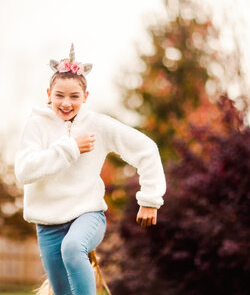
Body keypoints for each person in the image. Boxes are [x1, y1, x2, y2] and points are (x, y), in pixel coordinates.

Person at [14, 44, 166, 295]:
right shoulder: (36, 125)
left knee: (73, 248)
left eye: (74, 96)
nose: (66, 103)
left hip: (88, 216)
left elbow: (146, 149)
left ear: (85, 97)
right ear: (49, 93)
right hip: (48, 225)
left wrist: (150, 198)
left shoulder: (97, 124)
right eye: (60, 95)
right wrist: (70, 148)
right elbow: (24, 170)